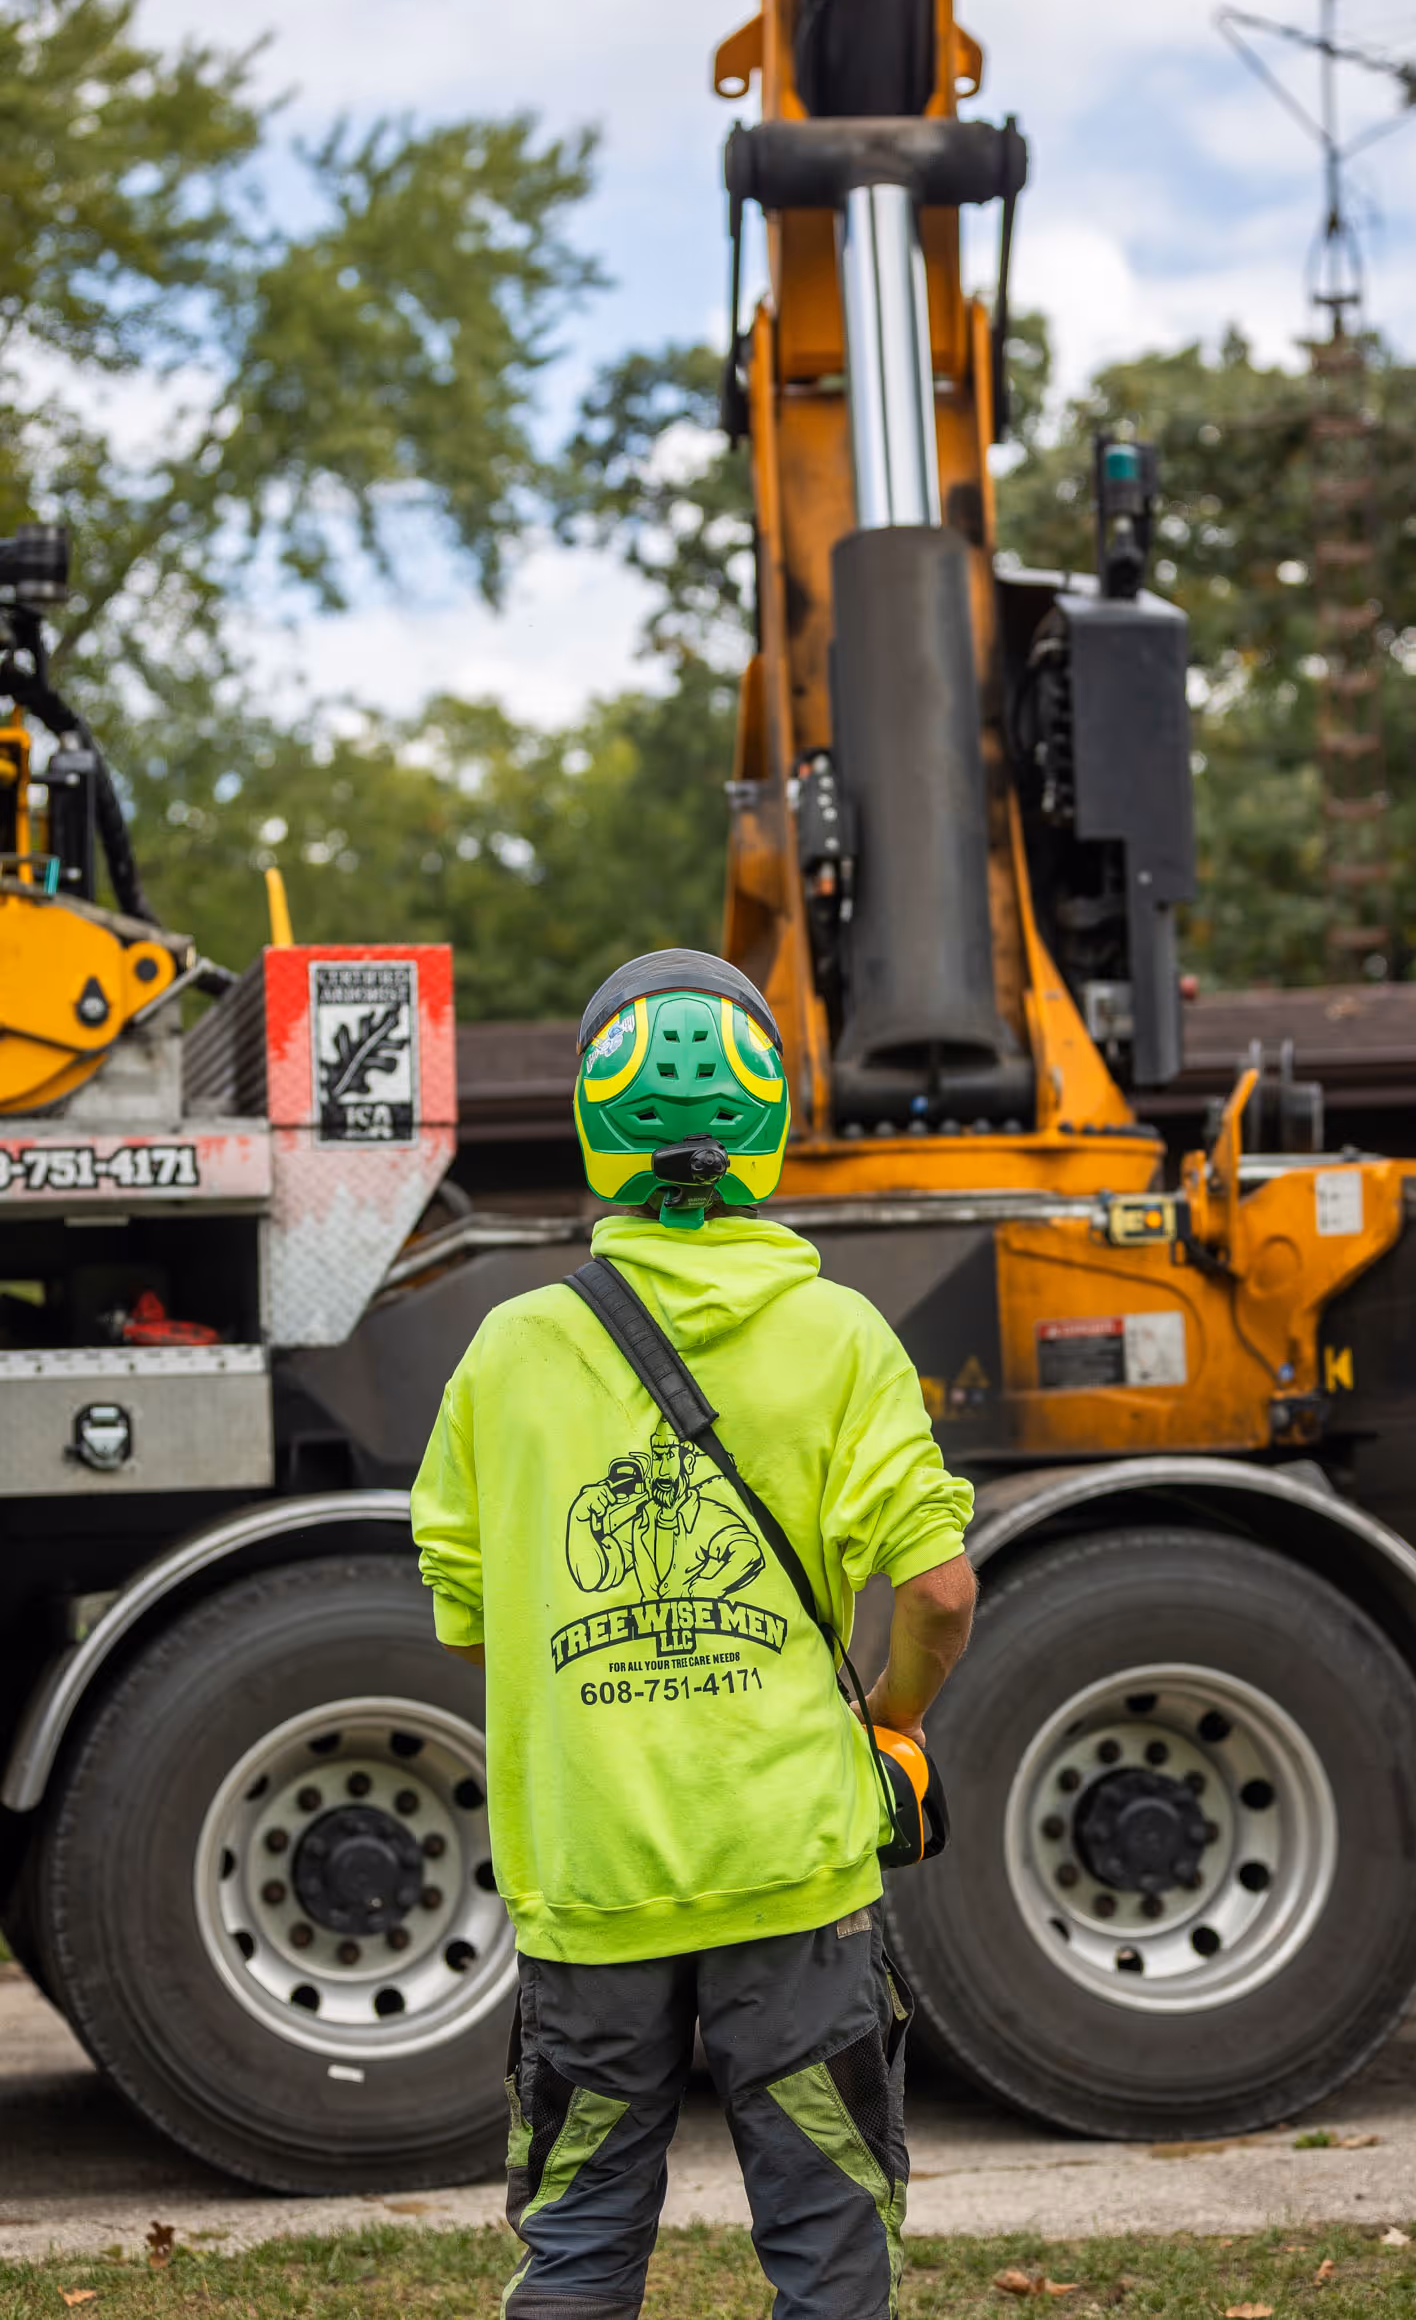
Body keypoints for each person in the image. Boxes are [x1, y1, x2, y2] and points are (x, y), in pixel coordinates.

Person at [411, 946, 976, 2320]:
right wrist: (892, 1718)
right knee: (826, 2247)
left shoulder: (512, 1349)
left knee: (583, 2248)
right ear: (767, 1120)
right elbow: (940, 1590)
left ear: (599, 1130)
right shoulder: (838, 1336)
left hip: (590, 1878)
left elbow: (473, 1615)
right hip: (790, 1871)